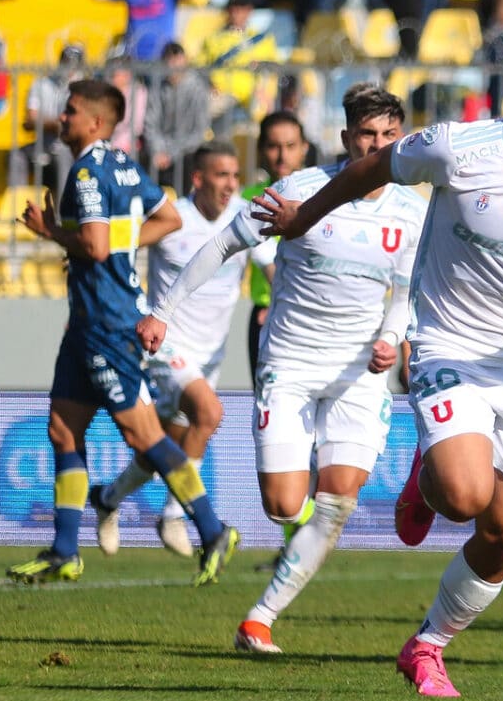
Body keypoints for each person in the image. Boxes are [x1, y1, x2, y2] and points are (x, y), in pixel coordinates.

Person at [251, 23, 503, 696]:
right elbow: (370, 167)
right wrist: (303, 217)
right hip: (451, 348)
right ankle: (428, 479)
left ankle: (426, 645)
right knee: (464, 495)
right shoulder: (460, 147)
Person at [134, 84, 426, 653]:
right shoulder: (298, 192)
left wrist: (391, 339)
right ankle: (293, 541)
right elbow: (221, 247)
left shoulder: (412, 212)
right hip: (290, 363)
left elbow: (403, 291)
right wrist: (162, 312)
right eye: (368, 134)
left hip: (359, 376)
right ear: (346, 138)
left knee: (339, 501)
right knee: (284, 505)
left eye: (390, 136)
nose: (378, 145)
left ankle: (259, 619)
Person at [6, 79, 239, 587]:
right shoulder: (122, 163)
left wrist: (51, 233)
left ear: (93, 121)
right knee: (63, 430)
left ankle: (212, 529)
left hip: (109, 323)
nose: (60, 117)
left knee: (144, 435)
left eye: (68, 111)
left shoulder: (89, 171)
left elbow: (91, 246)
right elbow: (169, 218)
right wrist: (117, 243)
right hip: (88, 322)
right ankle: (65, 549)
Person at [89, 141, 272, 559]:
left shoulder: (244, 219)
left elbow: (274, 271)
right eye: (221, 175)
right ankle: (175, 514)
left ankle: (107, 498)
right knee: (210, 413)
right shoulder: (175, 218)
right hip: (166, 347)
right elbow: (117, 253)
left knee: (162, 452)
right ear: (198, 178)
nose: (230, 184)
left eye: (234, 176)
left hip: (211, 354)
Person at [241, 111, 310, 386]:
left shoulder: (323, 195)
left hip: (310, 314)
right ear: (260, 150)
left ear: (304, 148)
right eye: (273, 146)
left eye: (291, 146)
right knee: (264, 403)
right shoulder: (249, 198)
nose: (282, 156)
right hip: (265, 312)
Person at [199, 0, 281, 137]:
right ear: (228, 11)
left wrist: (265, 87)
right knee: (199, 106)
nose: (237, 12)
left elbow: (275, 67)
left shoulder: (263, 39)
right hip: (222, 93)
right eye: (233, 8)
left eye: (242, 8)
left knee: (263, 114)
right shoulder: (213, 39)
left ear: (249, 11)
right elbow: (199, 67)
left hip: (253, 94)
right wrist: (209, 84)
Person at [8, 43, 87, 192]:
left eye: (74, 65)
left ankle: (63, 213)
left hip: (72, 148)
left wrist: (46, 122)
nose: (70, 69)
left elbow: (78, 126)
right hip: (44, 144)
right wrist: (57, 125)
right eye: (66, 63)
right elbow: (30, 120)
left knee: (64, 156)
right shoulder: (41, 84)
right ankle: (17, 210)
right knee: (16, 156)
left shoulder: (85, 88)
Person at [144, 41, 213, 194]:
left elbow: (199, 132)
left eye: (177, 62)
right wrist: (158, 150)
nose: (174, 67)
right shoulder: (158, 88)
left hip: (187, 151)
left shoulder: (198, 89)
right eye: (170, 62)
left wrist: (172, 153)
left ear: (185, 61)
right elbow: (150, 124)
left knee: (188, 163)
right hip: (161, 152)